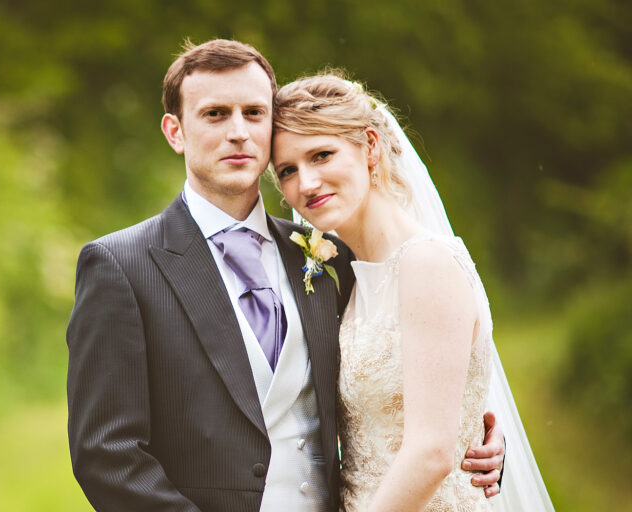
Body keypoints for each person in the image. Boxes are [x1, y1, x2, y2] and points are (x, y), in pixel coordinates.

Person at [66, 39, 504, 512]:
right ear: (175, 131)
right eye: (215, 114)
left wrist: (476, 442)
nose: (238, 132)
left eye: (254, 113)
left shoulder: (329, 258)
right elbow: (106, 455)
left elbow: (400, 396)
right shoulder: (121, 266)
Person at [272, 73, 554, 511]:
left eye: (321, 154)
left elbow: (431, 453)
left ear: (370, 146)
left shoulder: (426, 264)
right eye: (287, 170)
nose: (305, 184)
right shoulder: (348, 274)